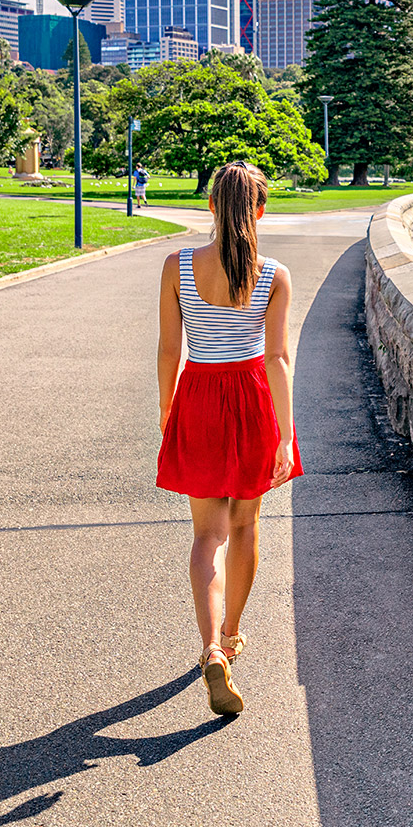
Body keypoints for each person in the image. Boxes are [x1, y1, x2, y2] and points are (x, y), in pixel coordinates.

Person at [155, 162, 300, 715]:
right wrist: (285, 436)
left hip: (198, 398)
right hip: (251, 400)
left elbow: (170, 351)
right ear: (260, 211)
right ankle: (232, 637)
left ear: (212, 207)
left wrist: (169, 413)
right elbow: (277, 359)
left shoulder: (176, 266)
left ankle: (211, 646)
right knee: (244, 525)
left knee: (206, 535)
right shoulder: (274, 273)